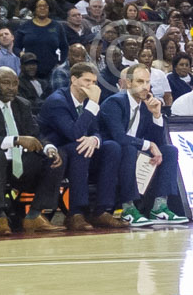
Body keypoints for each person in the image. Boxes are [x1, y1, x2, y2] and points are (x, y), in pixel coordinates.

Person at [0, 66, 66, 234]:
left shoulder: (22, 104)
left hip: (21, 163)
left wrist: (48, 147)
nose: (12, 88)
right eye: (6, 83)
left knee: (56, 157)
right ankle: (0, 216)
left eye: (15, 84)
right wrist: (16, 140)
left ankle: (34, 215)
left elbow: (35, 134)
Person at [37, 62, 127, 230]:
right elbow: (73, 134)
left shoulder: (88, 102)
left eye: (94, 82)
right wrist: (93, 104)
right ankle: (76, 213)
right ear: (73, 79)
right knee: (80, 147)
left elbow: (96, 130)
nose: (91, 86)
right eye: (87, 81)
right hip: (56, 152)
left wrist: (95, 139)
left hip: (81, 150)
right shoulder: (57, 101)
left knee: (112, 147)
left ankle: (101, 210)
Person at [99, 65, 188, 226]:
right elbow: (119, 137)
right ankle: (128, 208)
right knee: (128, 148)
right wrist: (148, 144)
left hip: (135, 151)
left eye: (148, 82)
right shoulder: (114, 102)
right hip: (110, 154)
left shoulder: (146, 105)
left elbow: (158, 143)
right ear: (128, 83)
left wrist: (156, 115)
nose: (145, 86)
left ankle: (159, 207)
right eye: (140, 81)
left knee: (169, 150)